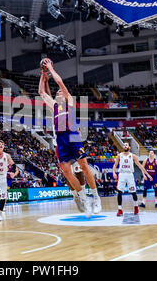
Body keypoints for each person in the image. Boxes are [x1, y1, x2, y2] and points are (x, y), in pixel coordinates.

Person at [38, 58, 100, 217]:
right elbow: (42, 93)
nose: (58, 92)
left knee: (84, 166)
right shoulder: (54, 107)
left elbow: (59, 82)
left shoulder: (69, 101)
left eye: (60, 92)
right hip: (61, 140)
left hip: (73, 136)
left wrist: (50, 68)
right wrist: (42, 74)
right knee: (66, 172)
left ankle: (96, 197)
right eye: (57, 93)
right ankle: (83, 198)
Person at [112, 143, 152, 217]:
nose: (125, 146)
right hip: (122, 174)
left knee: (133, 192)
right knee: (119, 192)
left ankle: (136, 207)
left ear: (129, 147)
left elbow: (140, 166)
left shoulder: (133, 156)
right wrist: (114, 172)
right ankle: (120, 209)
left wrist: (147, 174)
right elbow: (115, 165)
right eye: (124, 145)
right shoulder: (119, 155)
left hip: (130, 174)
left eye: (126, 145)